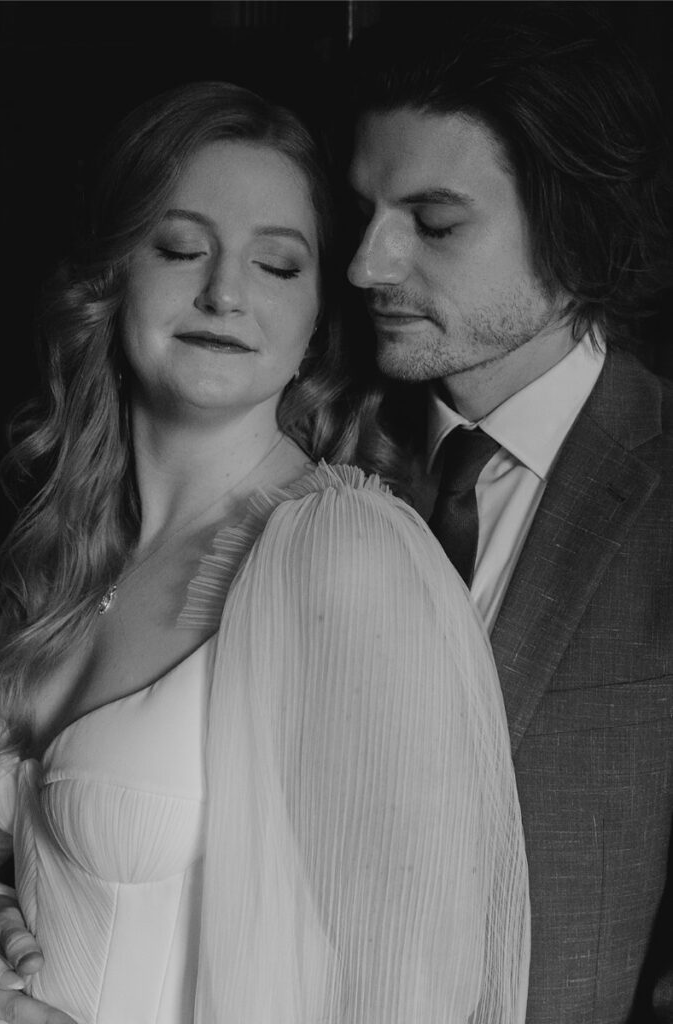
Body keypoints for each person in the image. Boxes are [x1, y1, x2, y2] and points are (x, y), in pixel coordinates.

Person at [0, 81, 530, 1023]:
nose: (224, 291)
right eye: (181, 248)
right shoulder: (57, 543)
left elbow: (411, 997)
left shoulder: (343, 558)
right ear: (115, 276)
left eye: (277, 265)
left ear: (318, 317)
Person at [342, 5, 673, 1024]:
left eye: (433, 223)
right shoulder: (303, 451)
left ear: (575, 231)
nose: (364, 264)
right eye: (359, 209)